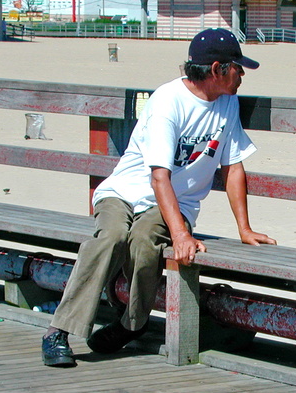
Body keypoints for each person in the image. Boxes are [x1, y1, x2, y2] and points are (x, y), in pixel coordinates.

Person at [42, 28, 276, 367]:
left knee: (144, 238)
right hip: (125, 191)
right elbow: (158, 176)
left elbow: (233, 167)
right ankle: (58, 331)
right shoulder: (168, 101)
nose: (242, 74)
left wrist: (245, 228)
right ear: (216, 70)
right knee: (110, 237)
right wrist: (181, 234)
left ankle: (131, 324)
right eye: (237, 67)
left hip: (175, 202)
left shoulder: (228, 103)